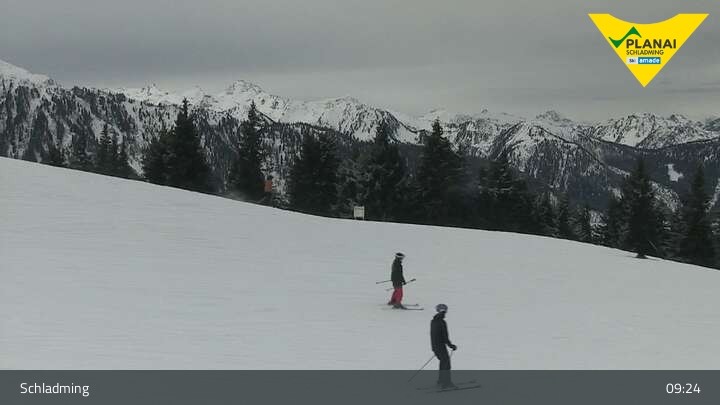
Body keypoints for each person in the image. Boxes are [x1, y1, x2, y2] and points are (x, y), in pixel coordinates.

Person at [430, 304, 457, 389]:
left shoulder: (433, 321)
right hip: (440, 346)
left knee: (443, 362)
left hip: (435, 346)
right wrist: (451, 345)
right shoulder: (442, 322)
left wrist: (434, 347)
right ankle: (446, 383)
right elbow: (445, 336)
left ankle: (441, 380)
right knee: (446, 364)